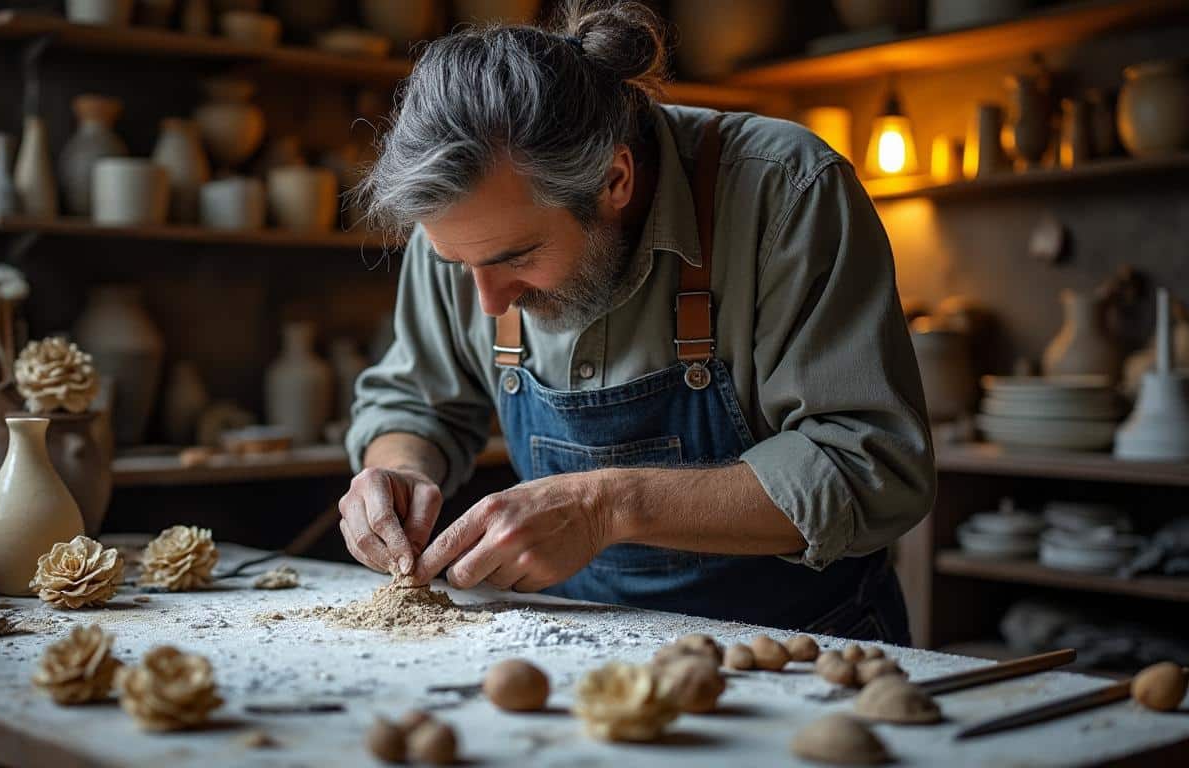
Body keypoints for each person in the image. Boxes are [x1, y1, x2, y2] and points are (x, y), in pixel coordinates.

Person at [337, 1, 935, 643]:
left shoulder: (785, 191)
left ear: (613, 179)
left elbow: (871, 465)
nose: (488, 302)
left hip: (801, 642)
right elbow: (412, 400)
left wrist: (606, 507)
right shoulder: (471, 224)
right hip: (579, 643)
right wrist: (399, 469)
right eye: (458, 265)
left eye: (516, 258)